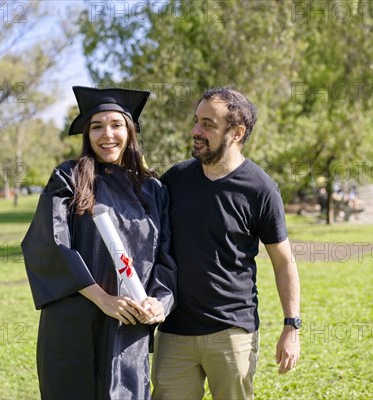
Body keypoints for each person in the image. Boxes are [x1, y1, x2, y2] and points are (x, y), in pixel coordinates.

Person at [21, 86, 177, 400]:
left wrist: (159, 302)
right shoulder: (69, 178)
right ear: (87, 134)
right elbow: (50, 243)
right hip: (73, 323)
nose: (107, 134)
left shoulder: (153, 190)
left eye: (116, 125)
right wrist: (103, 298)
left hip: (127, 326)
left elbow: (166, 258)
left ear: (130, 131)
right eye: (97, 126)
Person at [152, 87, 301, 400]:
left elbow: (284, 261)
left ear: (237, 132)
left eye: (208, 124)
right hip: (174, 329)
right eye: (196, 121)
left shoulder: (260, 189)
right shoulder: (174, 180)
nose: (195, 131)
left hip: (232, 332)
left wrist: (292, 326)